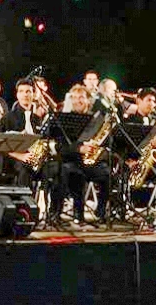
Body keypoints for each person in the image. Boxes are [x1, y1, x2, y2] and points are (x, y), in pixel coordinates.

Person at [57, 84, 109, 224]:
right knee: (74, 174)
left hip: (92, 160)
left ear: (88, 100)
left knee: (107, 174)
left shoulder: (97, 119)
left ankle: (101, 211)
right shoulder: (66, 119)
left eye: (81, 97)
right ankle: (78, 213)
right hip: (73, 160)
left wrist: (97, 151)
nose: (77, 101)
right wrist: (80, 149)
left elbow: (105, 142)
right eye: (74, 98)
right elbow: (61, 147)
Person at [0, 79, 40, 186]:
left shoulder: (37, 119)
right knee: (25, 167)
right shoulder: (7, 118)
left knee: (55, 166)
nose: (25, 95)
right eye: (21, 91)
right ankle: (24, 197)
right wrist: (20, 156)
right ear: (17, 95)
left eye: (28, 91)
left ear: (34, 95)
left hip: (35, 158)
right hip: (13, 159)